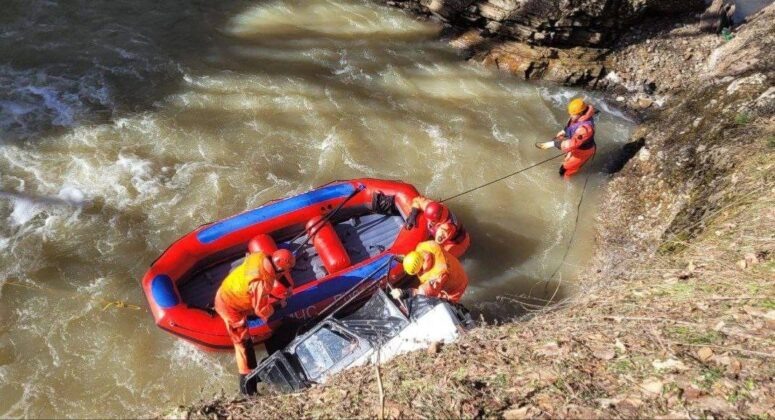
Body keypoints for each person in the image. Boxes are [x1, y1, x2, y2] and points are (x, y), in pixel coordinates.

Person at [214, 249, 295, 395]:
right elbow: (261, 310)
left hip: (229, 291)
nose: (285, 274)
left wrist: (287, 286)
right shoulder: (261, 284)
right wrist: (277, 305)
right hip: (230, 307)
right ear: (280, 269)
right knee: (244, 346)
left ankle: (251, 380)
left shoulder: (260, 256)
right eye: (285, 271)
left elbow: (276, 272)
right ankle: (247, 389)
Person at [390, 240, 469, 303]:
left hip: (458, 285)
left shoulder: (437, 275)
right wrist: (406, 260)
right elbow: (415, 259)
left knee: (449, 303)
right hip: (453, 267)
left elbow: (425, 292)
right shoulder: (426, 246)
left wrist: (405, 293)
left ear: (420, 269)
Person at [538, 98, 597, 178]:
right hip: (577, 146)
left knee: (565, 170)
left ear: (580, 113)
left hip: (583, 152)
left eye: (572, 114)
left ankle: (565, 182)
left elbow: (571, 144)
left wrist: (554, 143)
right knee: (566, 159)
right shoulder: (581, 116)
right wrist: (564, 131)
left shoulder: (585, 129)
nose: (570, 116)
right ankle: (568, 161)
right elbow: (573, 127)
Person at [404, 196, 470, 258]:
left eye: (432, 221)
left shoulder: (444, 230)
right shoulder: (433, 207)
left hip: (458, 244)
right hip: (451, 231)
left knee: (439, 258)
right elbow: (417, 200)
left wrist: (414, 256)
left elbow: (434, 249)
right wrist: (413, 214)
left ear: (437, 220)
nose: (430, 222)